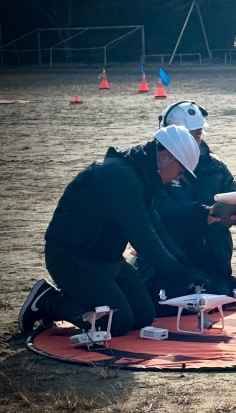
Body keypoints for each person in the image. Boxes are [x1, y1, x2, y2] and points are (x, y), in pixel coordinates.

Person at [18, 125, 208, 336]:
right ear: (164, 157)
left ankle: (77, 299)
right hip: (73, 259)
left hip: (107, 260)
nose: (178, 179)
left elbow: (155, 227)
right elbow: (142, 235)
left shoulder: (142, 177)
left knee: (144, 315)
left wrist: (183, 263)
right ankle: (47, 301)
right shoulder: (120, 176)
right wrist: (175, 271)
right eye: (180, 171)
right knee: (116, 322)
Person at [134, 101, 236, 314]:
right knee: (169, 303)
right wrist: (201, 214)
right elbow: (159, 211)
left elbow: (231, 194)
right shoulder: (157, 167)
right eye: (188, 134)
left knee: (219, 294)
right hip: (170, 253)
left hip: (210, 254)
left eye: (197, 134)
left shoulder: (215, 167)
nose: (194, 140)